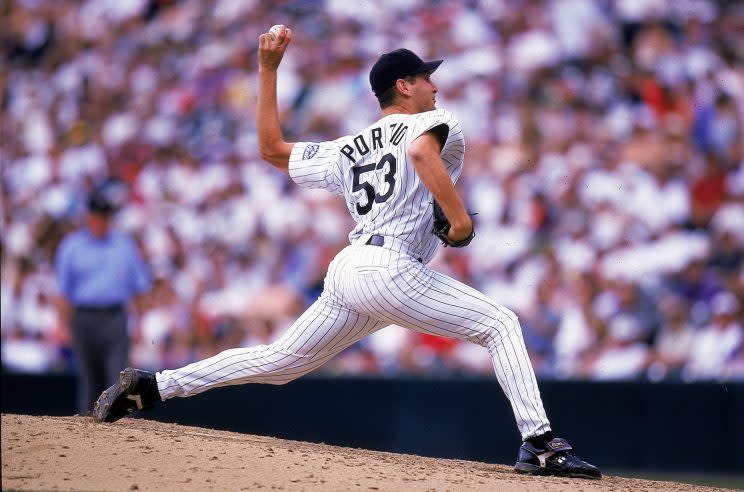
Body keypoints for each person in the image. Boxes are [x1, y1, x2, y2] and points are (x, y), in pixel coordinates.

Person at [92, 26, 601, 479]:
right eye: (426, 78)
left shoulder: (347, 146)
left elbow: (270, 148)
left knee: (280, 361)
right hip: (390, 268)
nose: (435, 86)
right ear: (405, 86)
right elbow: (423, 152)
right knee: (501, 325)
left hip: (350, 270)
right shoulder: (436, 120)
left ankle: (155, 385)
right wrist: (461, 218)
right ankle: (540, 445)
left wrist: (267, 70)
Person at [55, 181, 152, 414]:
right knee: (88, 380)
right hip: (83, 318)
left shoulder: (123, 246)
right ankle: (86, 439)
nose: (100, 221)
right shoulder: (72, 246)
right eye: (97, 216)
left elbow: (139, 288)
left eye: (105, 216)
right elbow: (62, 292)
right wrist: (62, 325)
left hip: (115, 318)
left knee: (118, 379)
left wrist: (140, 323)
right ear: (88, 217)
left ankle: (121, 437)